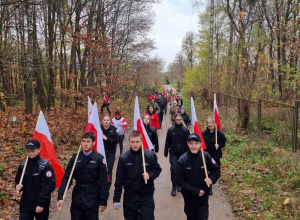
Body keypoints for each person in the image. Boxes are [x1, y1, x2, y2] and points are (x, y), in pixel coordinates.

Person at [57, 132, 109, 220]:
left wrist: (103, 201)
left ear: (93, 143)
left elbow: (103, 182)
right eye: (84, 141)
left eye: (88, 141)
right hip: (78, 195)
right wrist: (61, 196)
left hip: (92, 196)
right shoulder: (75, 158)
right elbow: (67, 178)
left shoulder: (98, 159)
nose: (85, 144)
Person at [113, 130, 162, 220]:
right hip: (130, 197)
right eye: (132, 142)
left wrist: (150, 175)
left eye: (137, 142)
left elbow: (157, 169)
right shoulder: (124, 158)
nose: (135, 144)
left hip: (146, 196)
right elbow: (119, 180)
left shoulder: (150, 155)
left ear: (141, 141)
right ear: (129, 142)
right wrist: (116, 199)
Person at [177, 133, 220, 220]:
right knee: (191, 217)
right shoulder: (182, 160)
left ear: (200, 144)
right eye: (191, 143)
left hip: (203, 196)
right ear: (187, 144)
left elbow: (216, 170)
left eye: (196, 143)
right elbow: (180, 181)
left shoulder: (206, 156)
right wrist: (195, 191)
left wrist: (211, 179)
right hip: (189, 196)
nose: (194, 146)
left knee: (202, 217)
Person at [15, 140, 56, 220]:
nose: (30, 154)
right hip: (26, 202)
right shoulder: (23, 165)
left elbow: (48, 187)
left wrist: (41, 203)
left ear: (39, 150)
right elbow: (18, 180)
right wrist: (18, 186)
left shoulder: (45, 166)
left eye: (32, 151)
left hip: (40, 202)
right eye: (28, 151)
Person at [164, 114, 190, 196]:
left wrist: (189, 152)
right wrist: (165, 151)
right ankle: (174, 186)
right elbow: (167, 141)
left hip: (183, 153)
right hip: (173, 153)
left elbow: (189, 142)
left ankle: (179, 184)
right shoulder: (171, 130)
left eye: (179, 119)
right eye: (177, 120)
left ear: (181, 120)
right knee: (174, 169)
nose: (178, 121)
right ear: (175, 120)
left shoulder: (185, 130)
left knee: (181, 170)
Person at [202, 118, 226, 195]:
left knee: (216, 170)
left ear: (214, 124)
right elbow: (201, 142)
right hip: (207, 154)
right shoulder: (204, 133)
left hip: (216, 155)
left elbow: (223, 142)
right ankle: (209, 186)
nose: (210, 128)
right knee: (208, 170)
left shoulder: (219, 133)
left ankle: (212, 180)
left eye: (211, 126)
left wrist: (218, 145)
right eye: (209, 126)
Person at [101, 115, 119, 188]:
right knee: (101, 169)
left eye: (107, 120)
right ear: (102, 121)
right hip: (100, 152)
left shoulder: (114, 129)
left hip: (110, 153)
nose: (106, 121)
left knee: (109, 168)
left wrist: (107, 139)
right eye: (105, 120)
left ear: (110, 121)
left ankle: (108, 184)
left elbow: (116, 140)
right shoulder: (99, 128)